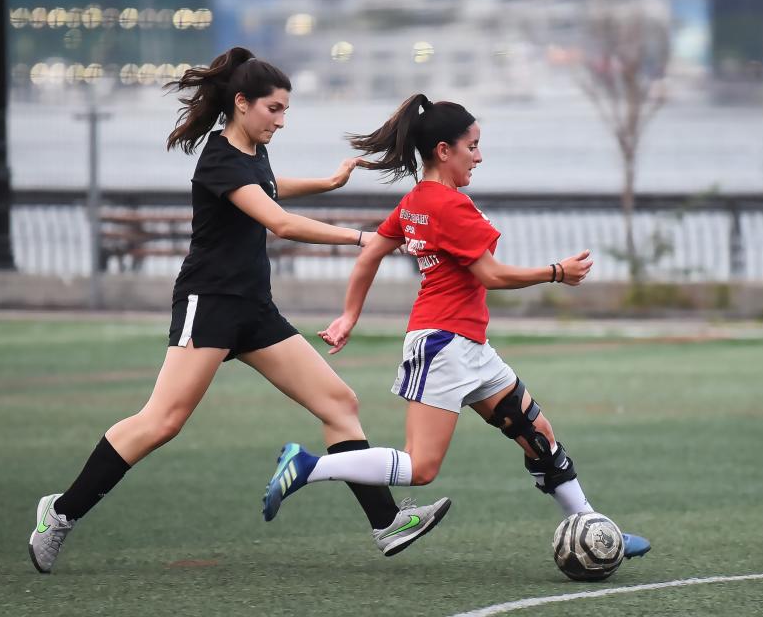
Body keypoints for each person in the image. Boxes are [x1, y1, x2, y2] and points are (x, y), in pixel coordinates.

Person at [27, 51, 450, 574]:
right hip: (210, 306)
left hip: (254, 309)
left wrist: (327, 183)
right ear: (242, 103)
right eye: (273, 109)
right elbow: (281, 223)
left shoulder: (251, 151)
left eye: (285, 110)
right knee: (162, 421)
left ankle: (386, 523)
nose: (281, 119)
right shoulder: (220, 158)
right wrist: (367, 239)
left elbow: (268, 187)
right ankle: (61, 512)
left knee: (339, 401)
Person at [260, 93, 650, 560]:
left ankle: (594, 526)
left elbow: (372, 252)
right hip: (444, 345)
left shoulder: (416, 202)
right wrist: (555, 271)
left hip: (468, 346)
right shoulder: (448, 206)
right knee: (421, 467)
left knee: (536, 433)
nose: (479, 157)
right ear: (444, 150)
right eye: (473, 146)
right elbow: (491, 275)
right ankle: (309, 466)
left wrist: (349, 315)